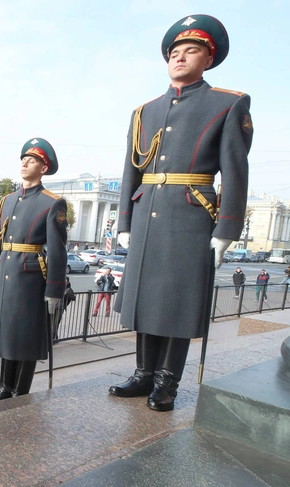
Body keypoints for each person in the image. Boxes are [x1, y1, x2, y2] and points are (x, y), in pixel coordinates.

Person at [110, 15, 252, 412]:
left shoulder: (227, 103)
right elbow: (130, 171)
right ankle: (143, 373)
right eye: (175, 52)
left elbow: (235, 170)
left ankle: (167, 381)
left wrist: (227, 228)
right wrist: (124, 221)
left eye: (191, 50)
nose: (180, 57)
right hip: (146, 212)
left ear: (208, 58)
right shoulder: (144, 112)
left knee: (176, 301)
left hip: (190, 216)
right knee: (146, 298)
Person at [0, 137, 68, 404]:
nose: (25, 163)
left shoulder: (52, 203)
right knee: (7, 334)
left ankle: (20, 391)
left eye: (32, 160)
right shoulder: (7, 200)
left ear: (44, 168)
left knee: (26, 336)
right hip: (7, 274)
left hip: (31, 277)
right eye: (23, 159)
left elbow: (57, 250)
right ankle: (5, 387)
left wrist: (55, 289)